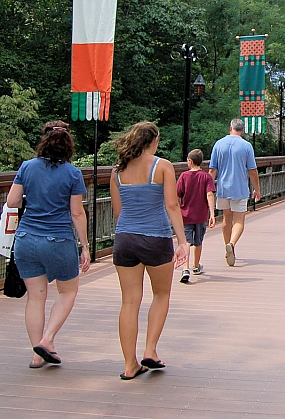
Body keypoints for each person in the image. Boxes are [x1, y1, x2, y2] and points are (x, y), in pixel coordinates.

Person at [7, 121, 91, 370]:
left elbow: (12, 201)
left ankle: (37, 354)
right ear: (68, 146)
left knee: (36, 297)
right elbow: (77, 213)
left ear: (43, 143)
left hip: (26, 239)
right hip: (58, 240)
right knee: (68, 292)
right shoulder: (73, 173)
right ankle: (48, 339)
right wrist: (84, 246)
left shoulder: (27, 167)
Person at [110, 121, 189, 380]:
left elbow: (118, 211)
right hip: (155, 238)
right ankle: (150, 350)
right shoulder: (163, 166)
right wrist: (183, 241)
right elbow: (171, 205)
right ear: (153, 141)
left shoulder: (117, 171)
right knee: (161, 294)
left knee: (129, 301)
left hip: (125, 239)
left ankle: (129, 365)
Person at [208, 118, 261, 267]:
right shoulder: (246, 146)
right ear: (242, 130)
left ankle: (227, 247)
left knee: (226, 219)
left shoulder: (218, 144)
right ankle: (231, 244)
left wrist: (208, 188)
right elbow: (252, 170)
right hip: (240, 188)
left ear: (230, 128)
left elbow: (212, 169)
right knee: (239, 221)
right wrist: (257, 189)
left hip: (223, 187)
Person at [176, 149, 216, 284]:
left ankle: (185, 268)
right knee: (198, 241)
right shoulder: (206, 177)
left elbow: (177, 195)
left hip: (185, 215)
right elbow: (209, 194)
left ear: (190, 161)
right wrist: (212, 213)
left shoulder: (183, 176)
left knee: (186, 241)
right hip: (200, 215)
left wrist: (174, 212)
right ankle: (196, 265)